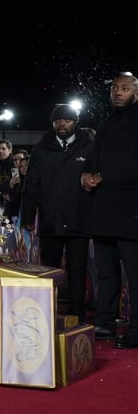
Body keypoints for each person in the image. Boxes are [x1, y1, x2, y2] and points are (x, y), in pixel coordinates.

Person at [21, 104, 94, 321]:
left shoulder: (89, 146)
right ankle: (47, 314)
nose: (61, 124)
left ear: (76, 122)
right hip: (50, 219)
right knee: (49, 270)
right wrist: (27, 217)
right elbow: (31, 184)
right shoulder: (42, 148)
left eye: (67, 120)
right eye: (57, 121)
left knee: (77, 269)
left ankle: (77, 314)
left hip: (79, 218)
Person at [82, 72, 138, 348]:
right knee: (104, 273)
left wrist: (104, 176)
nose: (118, 92)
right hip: (103, 211)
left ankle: (136, 330)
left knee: (135, 276)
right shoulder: (106, 123)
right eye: (115, 88)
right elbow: (92, 158)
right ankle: (104, 322)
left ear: (136, 93)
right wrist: (86, 174)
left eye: (125, 88)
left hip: (130, 211)